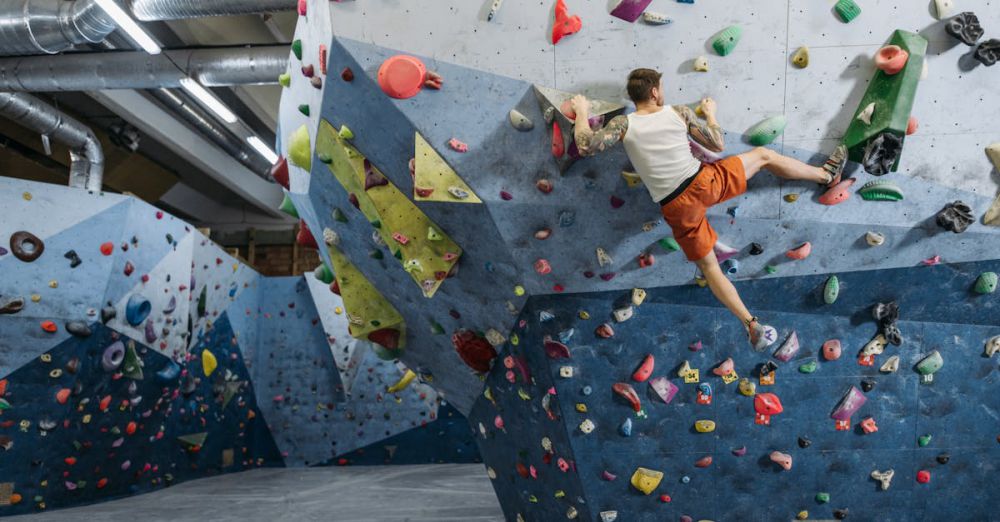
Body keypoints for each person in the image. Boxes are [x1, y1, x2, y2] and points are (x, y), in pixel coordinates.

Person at [570, 68, 847, 350]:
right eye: (661, 87)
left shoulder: (623, 124)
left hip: (676, 206)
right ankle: (825, 175)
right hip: (705, 184)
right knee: (764, 155)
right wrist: (710, 112)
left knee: (709, 267)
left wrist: (581, 111)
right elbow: (717, 142)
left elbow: (586, 145)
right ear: (654, 92)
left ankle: (751, 323)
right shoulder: (678, 112)